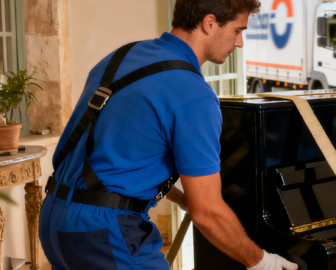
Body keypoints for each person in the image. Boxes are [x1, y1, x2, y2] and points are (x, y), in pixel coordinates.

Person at [38, 1, 298, 269]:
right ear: (210, 23)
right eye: (238, 30)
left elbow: (123, 156)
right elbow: (207, 212)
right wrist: (262, 262)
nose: (240, 42)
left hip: (54, 218)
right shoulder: (193, 94)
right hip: (103, 231)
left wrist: (184, 199)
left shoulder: (121, 57)